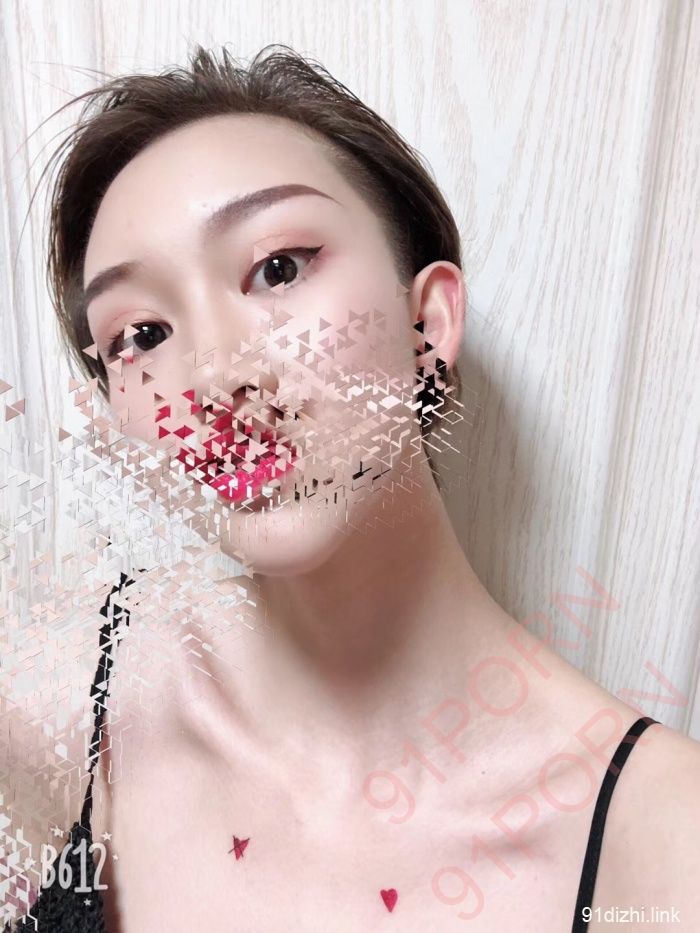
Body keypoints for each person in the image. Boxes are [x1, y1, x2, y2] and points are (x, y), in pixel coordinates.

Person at [4, 42, 700, 932]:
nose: (213, 378)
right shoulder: (63, 699)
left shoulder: (663, 850)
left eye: (279, 268)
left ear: (427, 321)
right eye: (141, 334)